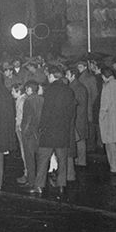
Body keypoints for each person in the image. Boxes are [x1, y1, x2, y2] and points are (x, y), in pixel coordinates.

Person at [34, 65, 78, 197]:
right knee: (62, 160)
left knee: (43, 160)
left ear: (52, 76)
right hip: (63, 130)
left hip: (49, 131)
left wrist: (41, 127)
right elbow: (72, 112)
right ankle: (61, 185)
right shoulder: (69, 91)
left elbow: (45, 112)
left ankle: (39, 186)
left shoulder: (49, 91)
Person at [98, 64, 116, 176]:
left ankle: (114, 168)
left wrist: (101, 117)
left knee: (110, 144)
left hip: (109, 118)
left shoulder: (107, 86)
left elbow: (104, 105)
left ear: (103, 76)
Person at [19, 81, 44, 192]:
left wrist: (24, 132)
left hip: (29, 134)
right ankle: (39, 183)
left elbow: (27, 119)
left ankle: (31, 181)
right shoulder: (42, 99)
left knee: (29, 159)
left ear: (29, 89)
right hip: (39, 133)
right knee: (39, 159)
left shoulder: (28, 100)